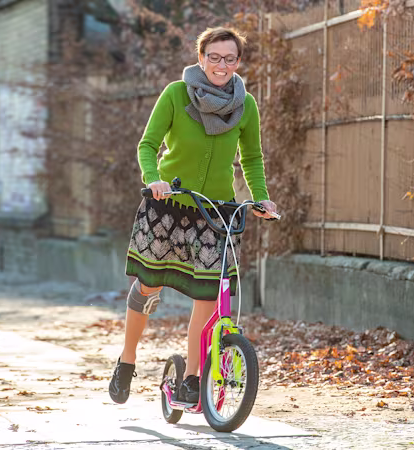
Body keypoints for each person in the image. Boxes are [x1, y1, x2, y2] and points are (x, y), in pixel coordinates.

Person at [109, 26, 278, 405]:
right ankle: (127, 359)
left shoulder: (245, 104)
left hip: (215, 213)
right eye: (214, 57)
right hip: (167, 208)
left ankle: (191, 377)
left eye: (229, 58)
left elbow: (250, 158)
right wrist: (154, 180)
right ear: (201, 58)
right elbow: (149, 145)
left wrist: (261, 199)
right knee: (150, 286)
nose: (221, 64)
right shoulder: (176, 93)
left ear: (238, 62)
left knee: (208, 297)